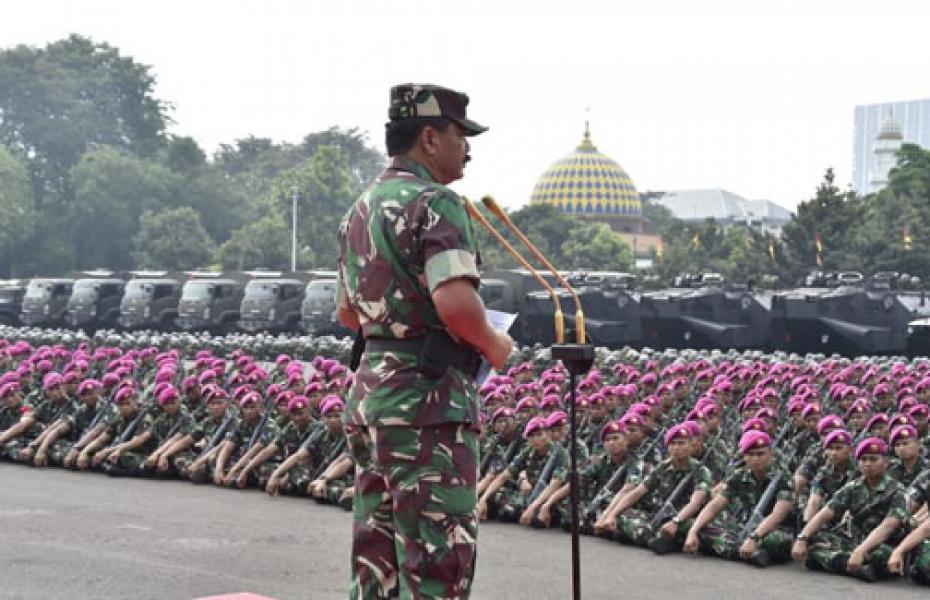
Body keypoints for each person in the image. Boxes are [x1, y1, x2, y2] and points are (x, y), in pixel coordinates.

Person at [336, 83, 512, 599]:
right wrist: (493, 344)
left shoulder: (360, 209)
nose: (468, 147)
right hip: (427, 406)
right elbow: (456, 304)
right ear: (430, 139)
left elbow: (349, 312)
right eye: (461, 135)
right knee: (438, 560)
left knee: (378, 558)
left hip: (371, 399)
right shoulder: (436, 204)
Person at [792, 437, 908, 582]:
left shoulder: (897, 490)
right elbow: (825, 513)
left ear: (886, 463)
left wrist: (861, 551)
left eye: (873, 459)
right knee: (814, 541)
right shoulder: (853, 487)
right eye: (863, 459)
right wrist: (802, 538)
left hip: (884, 542)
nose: (867, 464)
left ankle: (844, 563)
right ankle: (855, 567)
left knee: (881, 556)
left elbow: (888, 526)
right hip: (855, 539)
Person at [684, 430, 795, 567]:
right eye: (750, 454)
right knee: (700, 527)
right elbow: (715, 505)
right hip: (747, 525)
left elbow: (778, 515)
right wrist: (693, 531)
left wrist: (754, 537)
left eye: (760, 454)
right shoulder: (739, 476)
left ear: (770, 454)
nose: (755, 459)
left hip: (776, 529)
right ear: (744, 456)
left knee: (775, 540)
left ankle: (739, 550)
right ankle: (749, 554)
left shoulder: (783, 478)